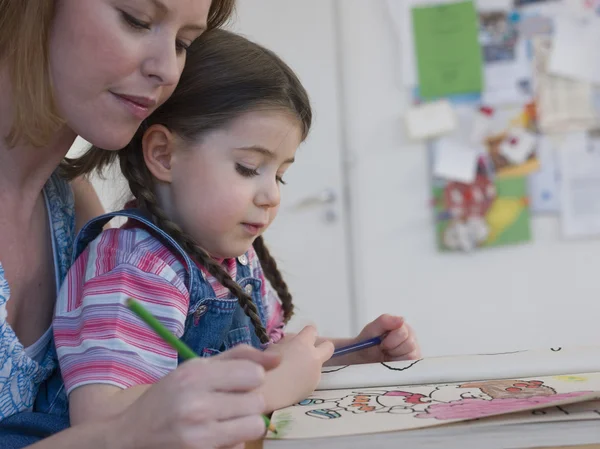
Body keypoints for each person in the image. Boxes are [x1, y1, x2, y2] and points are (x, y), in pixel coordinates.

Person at [53, 28, 421, 425]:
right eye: (248, 168)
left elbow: (272, 359)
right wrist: (268, 389)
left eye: (279, 176)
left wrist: (353, 352)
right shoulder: (136, 266)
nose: (271, 196)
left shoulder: (232, 259)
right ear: (164, 155)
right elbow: (103, 416)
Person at [0, 1, 284, 448]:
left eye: (184, 43)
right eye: (136, 19)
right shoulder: (120, 249)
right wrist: (126, 432)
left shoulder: (73, 208)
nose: (167, 70)